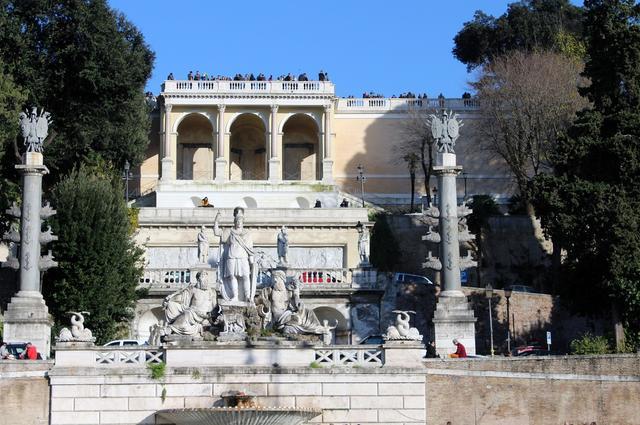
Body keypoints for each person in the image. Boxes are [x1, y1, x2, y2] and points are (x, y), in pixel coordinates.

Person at [214, 207, 256, 304]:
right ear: (235, 221)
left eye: (240, 220)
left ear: (243, 222)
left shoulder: (247, 233)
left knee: (246, 276)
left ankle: (247, 296)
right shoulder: (230, 232)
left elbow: (250, 249)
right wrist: (217, 220)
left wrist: (252, 261)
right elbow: (217, 232)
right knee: (232, 276)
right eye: (237, 220)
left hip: (243, 257)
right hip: (231, 257)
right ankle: (235, 296)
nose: (238, 222)